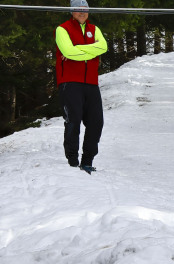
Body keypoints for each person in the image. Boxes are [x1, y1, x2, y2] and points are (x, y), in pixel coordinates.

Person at [55, 0, 108, 174]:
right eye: (78, 10)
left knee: (96, 122)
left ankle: (87, 160)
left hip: (91, 83)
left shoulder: (95, 29)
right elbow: (68, 52)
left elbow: (104, 47)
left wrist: (78, 48)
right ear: (72, 12)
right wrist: (90, 50)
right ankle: (72, 160)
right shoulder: (62, 29)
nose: (82, 12)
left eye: (85, 9)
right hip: (69, 82)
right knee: (74, 120)